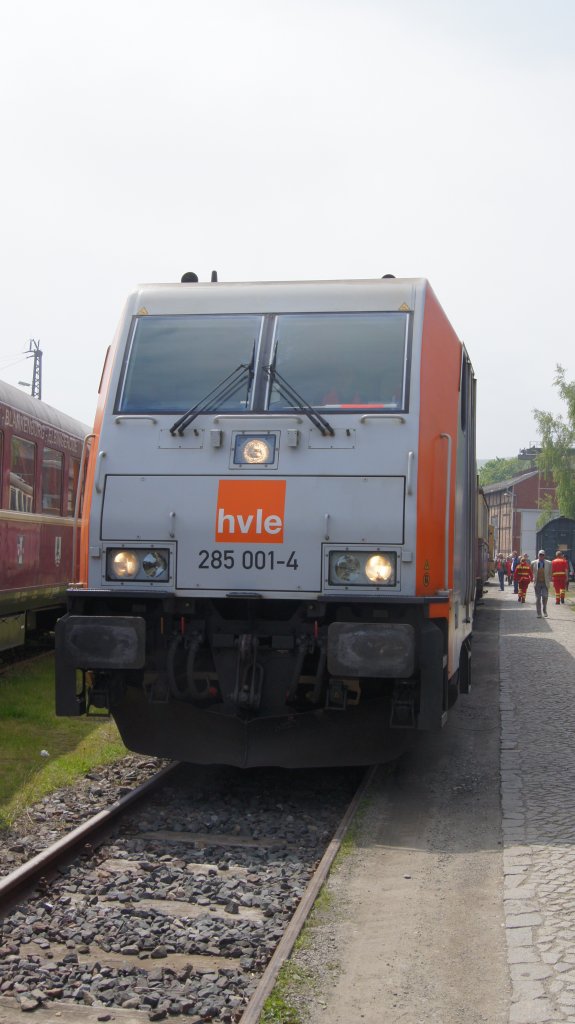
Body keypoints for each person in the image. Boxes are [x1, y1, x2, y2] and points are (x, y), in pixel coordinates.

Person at [530, 549, 553, 618]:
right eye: (540, 555)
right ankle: (539, 613)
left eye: (542, 555)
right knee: (538, 598)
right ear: (538, 555)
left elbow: (550, 572)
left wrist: (550, 579)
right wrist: (533, 578)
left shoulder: (549, 563)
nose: (541, 556)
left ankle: (544, 609)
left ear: (544, 555)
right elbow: (531, 571)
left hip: (545, 582)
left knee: (545, 596)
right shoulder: (533, 563)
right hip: (537, 583)